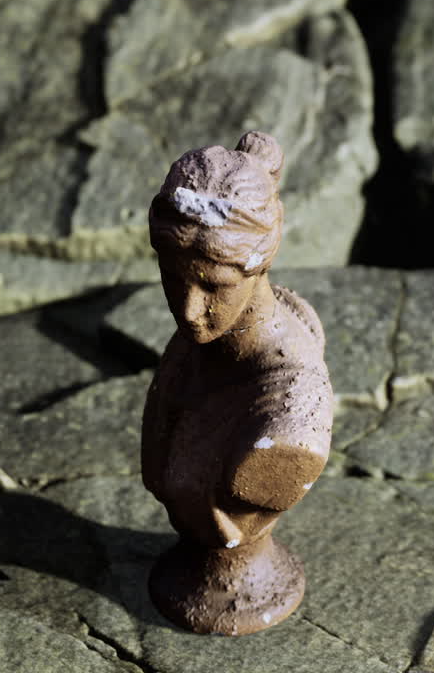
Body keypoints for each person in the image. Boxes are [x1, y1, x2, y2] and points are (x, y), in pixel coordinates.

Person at [141, 131, 332, 636]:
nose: (187, 308)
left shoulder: (290, 422)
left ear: (258, 266)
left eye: (213, 285)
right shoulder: (194, 347)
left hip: (247, 583)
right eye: (173, 277)